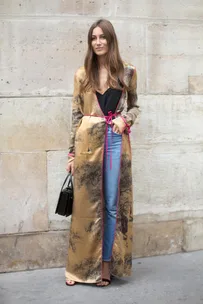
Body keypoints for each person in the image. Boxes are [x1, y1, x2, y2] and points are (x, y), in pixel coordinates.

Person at [65, 18, 140, 287]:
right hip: (87, 144)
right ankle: (77, 268)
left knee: (110, 205)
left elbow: (135, 106)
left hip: (116, 142)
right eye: (93, 38)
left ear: (111, 39)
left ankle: (104, 265)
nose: (97, 42)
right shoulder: (82, 74)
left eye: (102, 37)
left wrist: (126, 119)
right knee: (84, 206)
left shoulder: (128, 72)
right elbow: (75, 115)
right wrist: (71, 155)